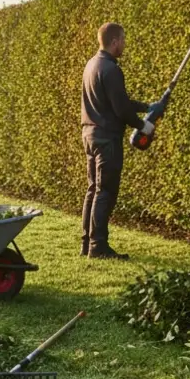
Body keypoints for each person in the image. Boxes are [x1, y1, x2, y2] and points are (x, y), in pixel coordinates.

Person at [79, 22, 154, 260]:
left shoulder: (92, 64)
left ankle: (87, 242)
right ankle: (98, 246)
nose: (124, 44)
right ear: (113, 41)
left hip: (89, 134)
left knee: (93, 189)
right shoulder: (111, 69)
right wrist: (144, 125)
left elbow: (117, 100)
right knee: (105, 192)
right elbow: (120, 108)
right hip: (107, 138)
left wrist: (146, 107)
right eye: (122, 40)